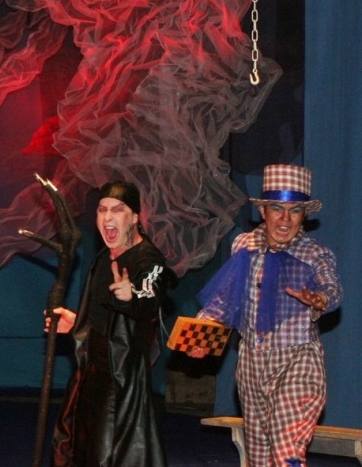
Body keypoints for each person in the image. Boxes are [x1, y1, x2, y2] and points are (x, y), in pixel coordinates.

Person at [189, 164, 342, 467]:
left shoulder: (314, 254)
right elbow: (224, 299)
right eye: (277, 209)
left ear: (304, 215)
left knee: (287, 450)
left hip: (297, 360)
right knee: (259, 455)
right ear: (263, 211)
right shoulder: (244, 246)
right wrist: (202, 334)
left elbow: (332, 288)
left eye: (295, 211)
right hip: (251, 363)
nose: (285, 219)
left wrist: (320, 299)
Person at [47, 181, 176, 467]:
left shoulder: (148, 259)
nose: (107, 217)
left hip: (120, 378)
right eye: (102, 210)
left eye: (117, 210)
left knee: (106, 455)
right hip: (90, 370)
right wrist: (76, 322)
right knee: (73, 445)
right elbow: (102, 314)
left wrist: (133, 295)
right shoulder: (104, 258)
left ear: (135, 217)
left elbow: (151, 292)